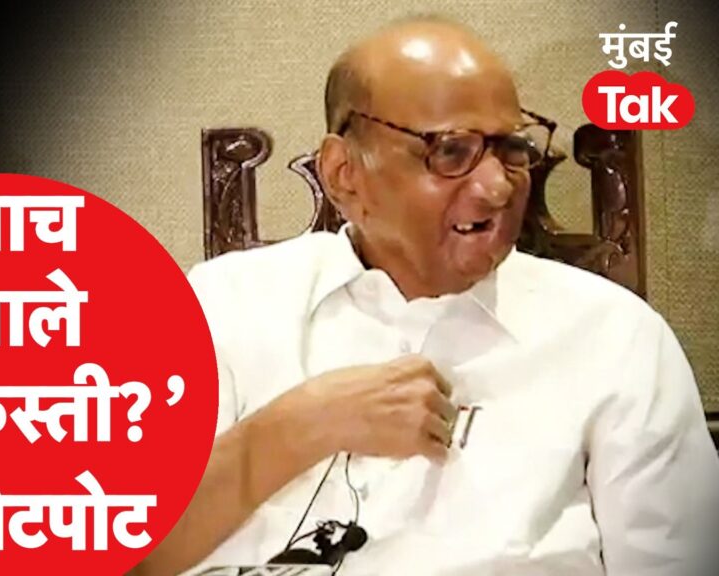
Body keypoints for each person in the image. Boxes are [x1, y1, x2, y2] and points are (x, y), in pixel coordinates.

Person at [134, 17, 719, 576]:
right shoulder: (220, 308)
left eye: (511, 146)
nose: (497, 186)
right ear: (343, 173)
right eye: (451, 150)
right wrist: (300, 427)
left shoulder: (615, 336)